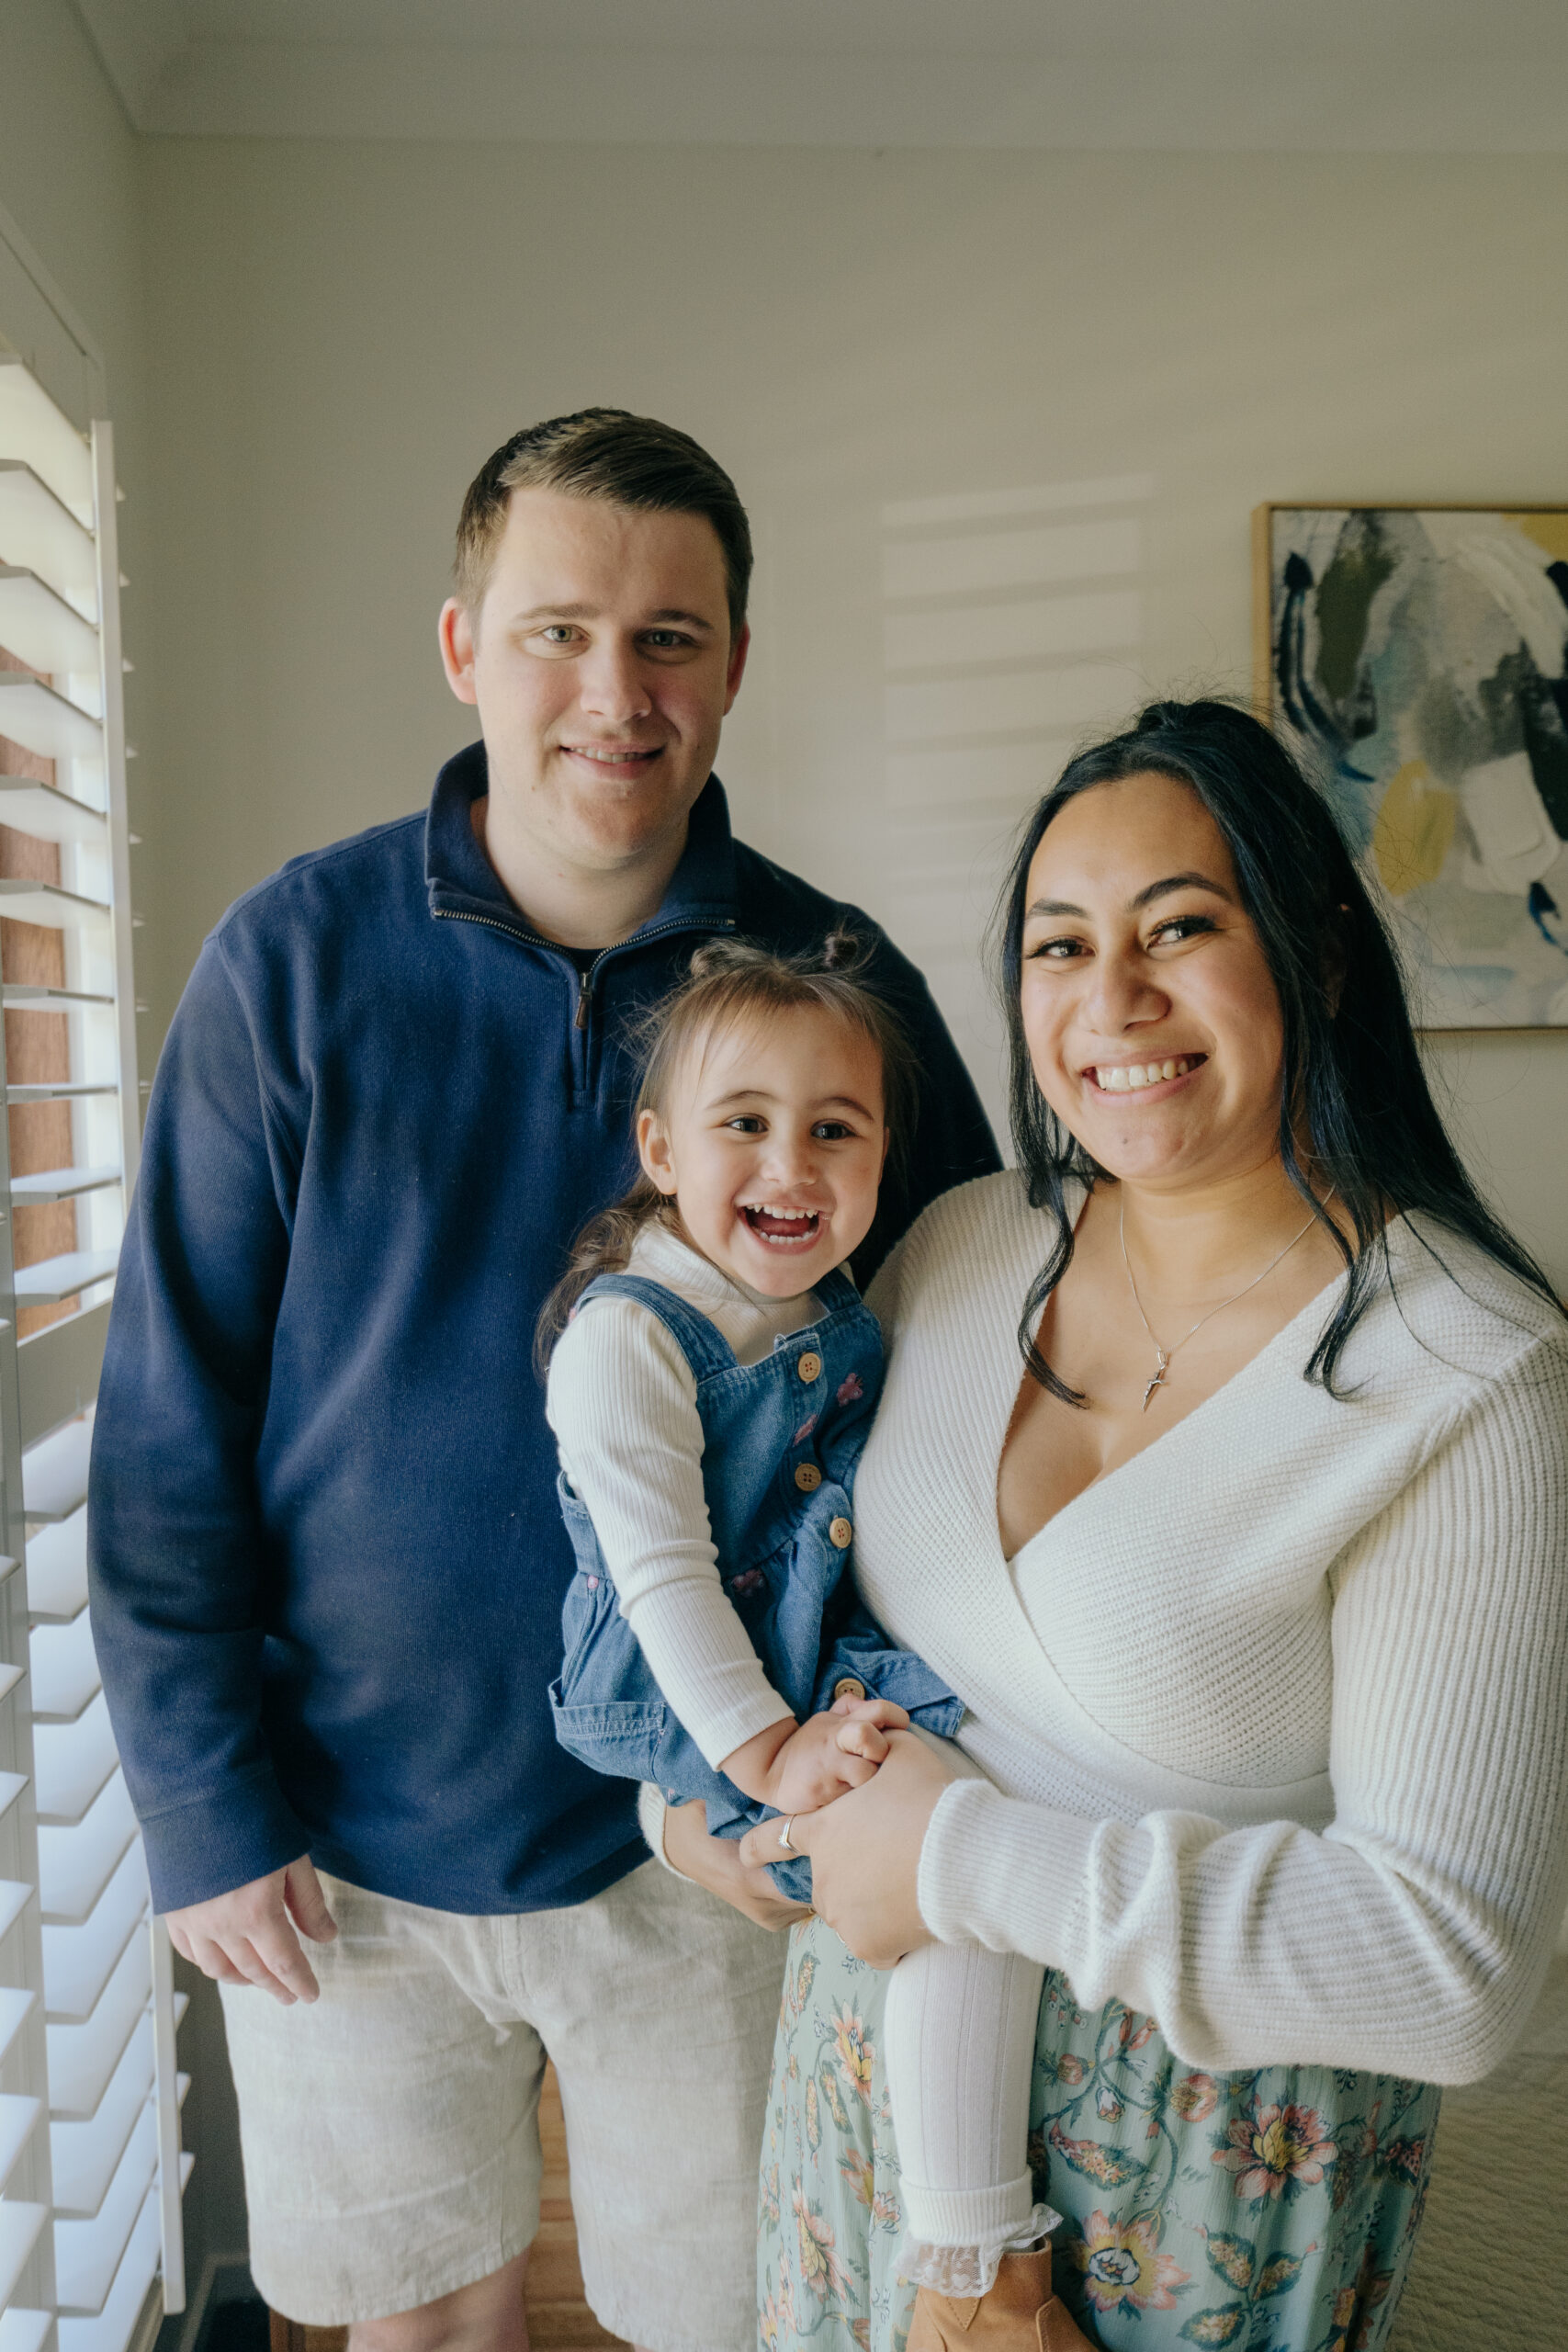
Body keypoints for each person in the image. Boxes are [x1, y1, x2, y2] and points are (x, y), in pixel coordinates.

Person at [86, 409, 998, 2352]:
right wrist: (196, 1798)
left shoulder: (840, 986)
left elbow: (970, 1363)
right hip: (348, 1838)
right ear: (459, 646)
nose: (616, 690)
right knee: (416, 2328)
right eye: (559, 629)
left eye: (670, 637)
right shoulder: (292, 963)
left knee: (742, 2320)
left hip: (711, 1836)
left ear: (735, 665)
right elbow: (172, 1413)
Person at [678, 696, 1565, 2351]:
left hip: (1195, 2204)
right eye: (1059, 945)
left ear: (1316, 958)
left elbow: (1458, 1968)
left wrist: (951, 1857)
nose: (1113, 1002)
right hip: (861, 2136)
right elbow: (751, 1564)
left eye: (1182, 929)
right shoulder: (953, 1249)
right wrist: (698, 1817)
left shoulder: (1464, 1373)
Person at [539, 934, 1080, 2351]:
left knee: (983, 1793)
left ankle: (953, 2222)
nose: (793, 1166)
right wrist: (768, 1752)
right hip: (690, 1695)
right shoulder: (630, 1336)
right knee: (937, 1851)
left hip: (794, 1658)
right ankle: (972, 2260)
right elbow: (661, 1578)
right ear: (659, 1148)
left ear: (884, 1153)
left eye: (835, 1130)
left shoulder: (831, 1304)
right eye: (745, 1127)